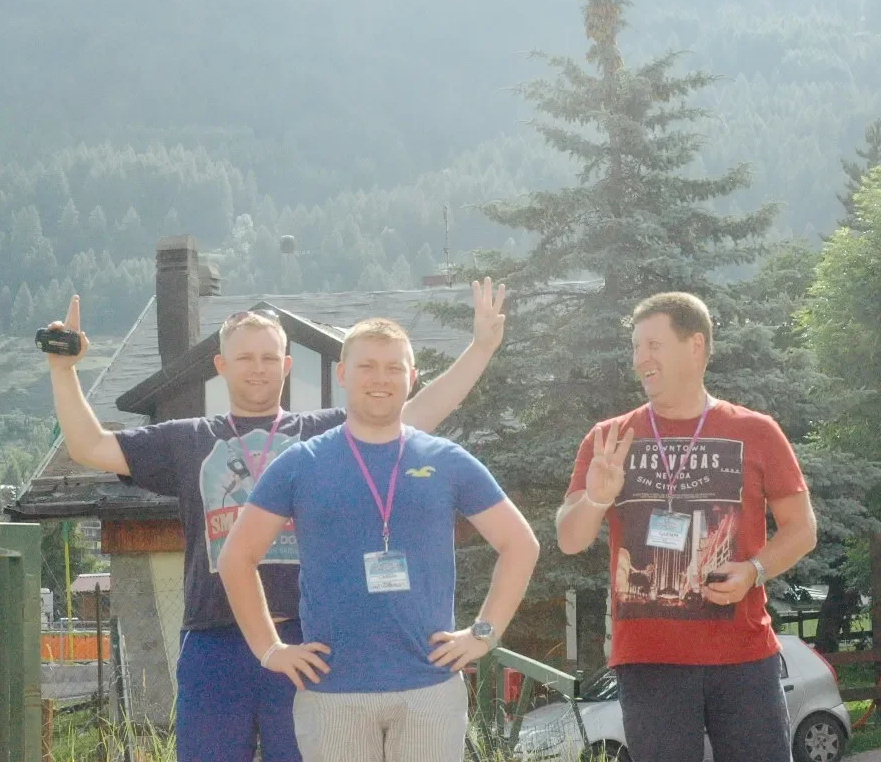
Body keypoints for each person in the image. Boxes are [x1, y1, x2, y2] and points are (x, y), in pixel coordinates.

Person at [44, 280, 508, 762]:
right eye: (244, 358)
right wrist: (62, 371)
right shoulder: (188, 440)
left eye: (270, 357)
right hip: (214, 638)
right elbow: (89, 447)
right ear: (221, 366)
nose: (258, 369)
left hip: (306, 642)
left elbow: (417, 411)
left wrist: (480, 347)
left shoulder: (323, 436)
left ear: (287, 365)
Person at [218, 317, 539, 762]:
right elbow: (236, 558)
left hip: (429, 691)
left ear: (412, 377)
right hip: (333, 694)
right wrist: (270, 649)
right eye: (367, 366)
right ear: (343, 375)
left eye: (394, 367)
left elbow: (521, 545)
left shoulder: (447, 461)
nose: (380, 379)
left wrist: (483, 634)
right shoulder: (301, 463)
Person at [556, 292, 817, 762]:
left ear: (694, 345)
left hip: (743, 655)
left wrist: (755, 570)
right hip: (649, 661)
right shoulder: (608, 438)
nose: (640, 360)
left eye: (653, 345)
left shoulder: (756, 431)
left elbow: (802, 530)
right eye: (635, 348)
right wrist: (597, 495)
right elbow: (570, 539)